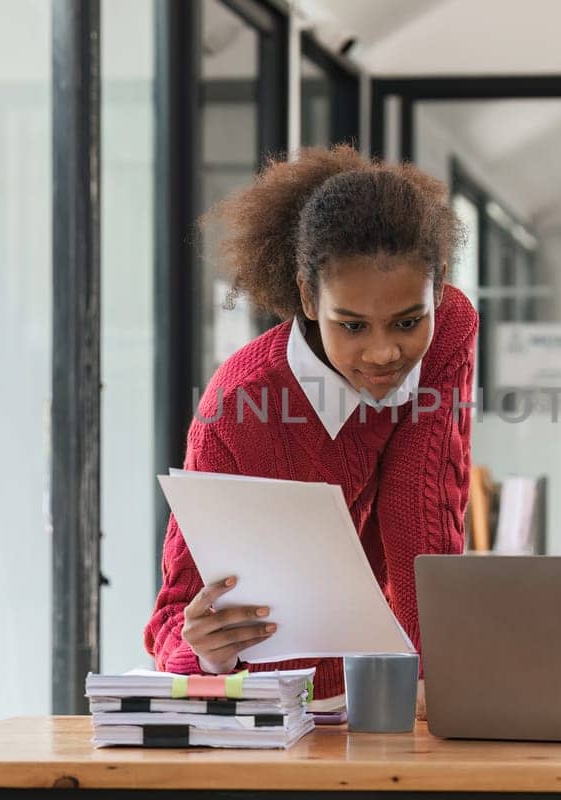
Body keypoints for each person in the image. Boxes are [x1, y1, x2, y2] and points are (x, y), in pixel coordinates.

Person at [144, 146, 477, 706]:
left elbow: (417, 505)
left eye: (407, 320)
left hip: (395, 693)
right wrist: (206, 651)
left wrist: (433, 682)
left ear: (438, 287)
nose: (383, 352)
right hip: (277, 702)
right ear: (307, 295)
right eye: (352, 325)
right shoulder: (240, 406)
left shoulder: (450, 330)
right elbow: (176, 614)